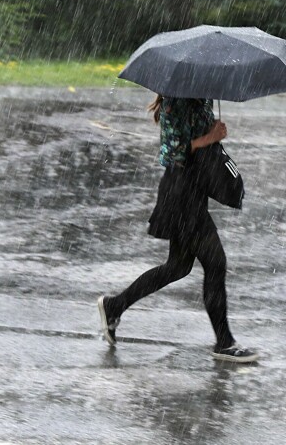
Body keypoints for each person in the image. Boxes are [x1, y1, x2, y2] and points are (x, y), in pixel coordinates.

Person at [97, 95, 258, 363]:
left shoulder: (202, 95)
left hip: (194, 191)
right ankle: (225, 342)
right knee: (215, 262)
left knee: (178, 267)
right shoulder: (175, 99)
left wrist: (213, 130)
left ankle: (114, 306)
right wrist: (210, 137)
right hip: (180, 192)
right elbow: (171, 152)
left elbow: (199, 140)